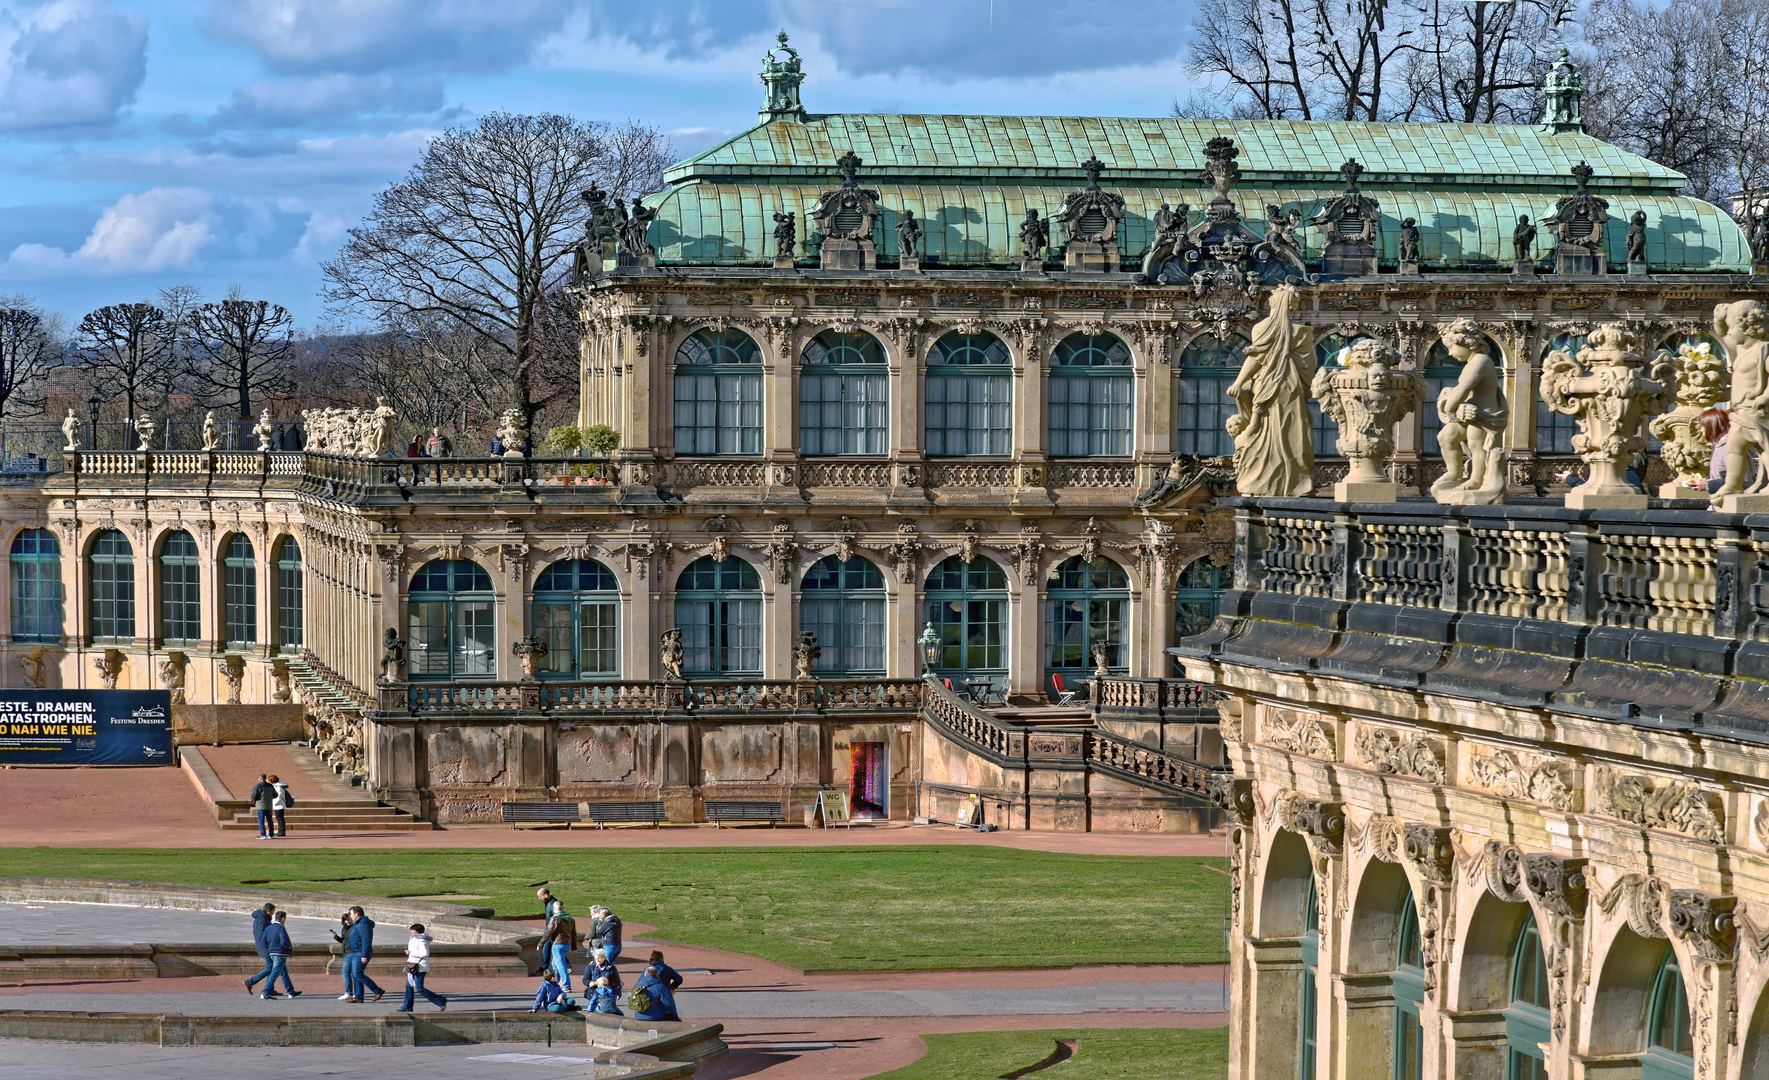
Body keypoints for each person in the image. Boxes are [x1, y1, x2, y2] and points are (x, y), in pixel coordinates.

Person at [398, 923, 448, 1012]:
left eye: (412, 930)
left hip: (419, 967)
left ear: (417, 931)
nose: (410, 932)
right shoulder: (415, 939)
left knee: (420, 988)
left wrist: (411, 953)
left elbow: (425, 953)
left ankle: (441, 1000)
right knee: (408, 987)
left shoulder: (421, 940)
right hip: (413, 966)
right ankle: (407, 1007)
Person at [339, 906, 384, 1003]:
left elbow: (366, 941)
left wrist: (364, 955)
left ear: (356, 914)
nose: (350, 916)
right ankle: (359, 997)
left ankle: (378, 990)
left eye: (351, 914)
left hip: (360, 953)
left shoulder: (363, 924)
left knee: (357, 973)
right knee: (355, 975)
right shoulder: (357, 923)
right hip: (356, 952)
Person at [537, 900, 577, 992]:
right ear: (563, 908)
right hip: (567, 944)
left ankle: (566, 985)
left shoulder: (555, 918)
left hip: (557, 944)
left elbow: (548, 932)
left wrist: (540, 943)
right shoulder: (570, 919)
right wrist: (574, 946)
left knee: (560, 965)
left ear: (554, 909)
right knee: (555, 964)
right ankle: (556, 983)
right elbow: (574, 933)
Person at [261, 910, 299, 999]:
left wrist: (270, 948)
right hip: (280, 953)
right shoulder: (281, 928)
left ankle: (291, 991)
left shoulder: (269, 927)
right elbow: (284, 941)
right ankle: (266, 992)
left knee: (284, 972)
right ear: (283, 918)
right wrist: (288, 947)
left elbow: (264, 940)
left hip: (272, 952)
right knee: (275, 973)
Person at [245, 902, 278, 995]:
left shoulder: (262, 918)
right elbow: (262, 935)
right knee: (271, 967)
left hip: (264, 946)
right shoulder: (263, 920)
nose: (273, 913)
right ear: (268, 911)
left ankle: (270, 989)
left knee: (271, 967)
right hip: (265, 947)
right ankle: (250, 982)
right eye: (273, 911)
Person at [1704, 407, 1731, 493]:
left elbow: (1744, 482)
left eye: (1703, 426)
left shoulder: (1728, 448)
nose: (1701, 430)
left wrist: (1708, 484)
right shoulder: (1718, 447)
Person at [248, 774, 276, 839]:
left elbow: (254, 794)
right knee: (270, 820)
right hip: (269, 805)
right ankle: (271, 834)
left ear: (260, 779)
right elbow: (275, 795)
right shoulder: (270, 786)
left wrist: (253, 799)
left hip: (261, 805)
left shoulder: (258, 786)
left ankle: (263, 834)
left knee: (261, 820)